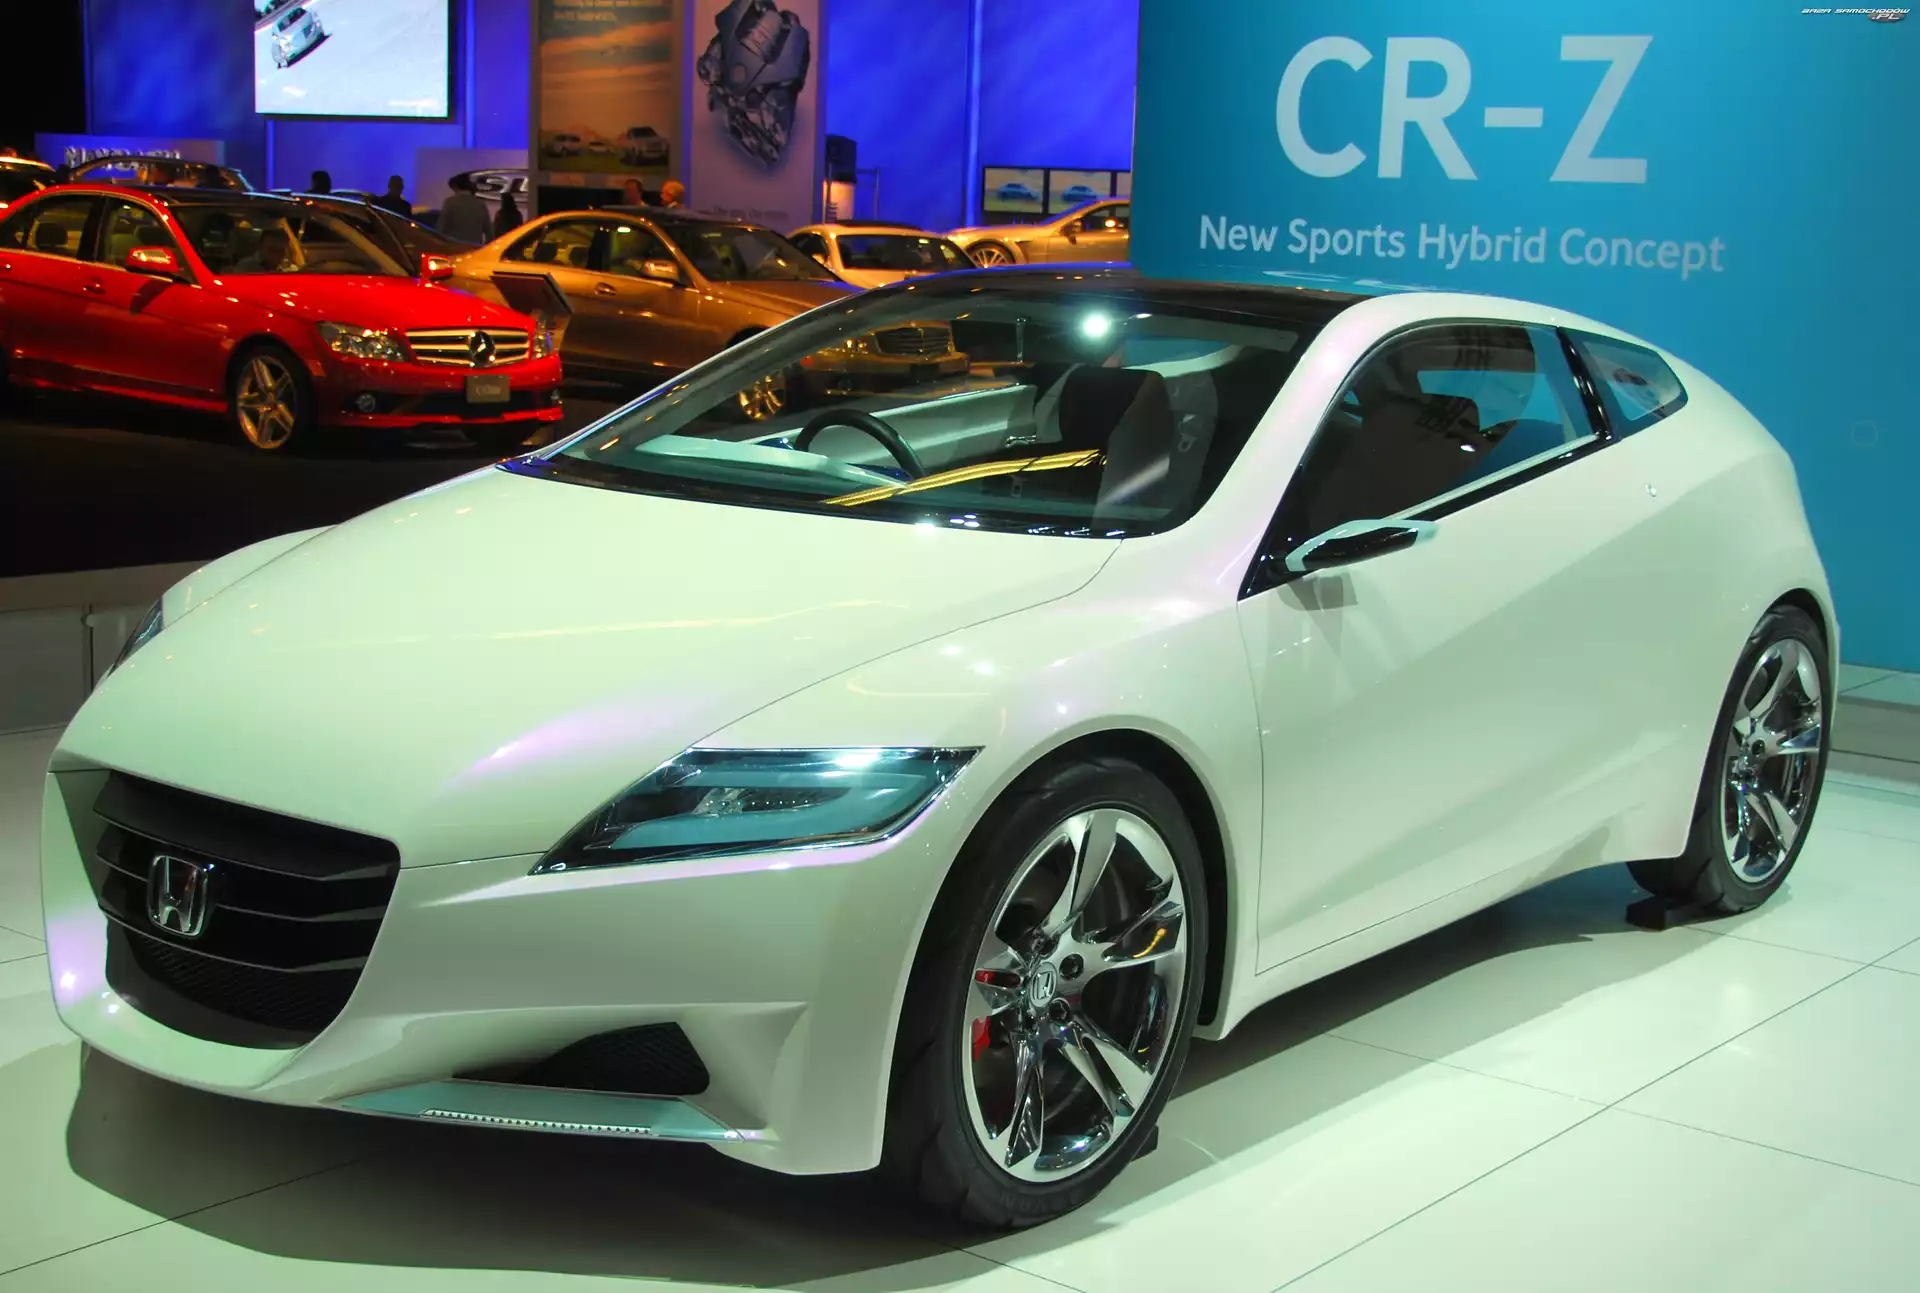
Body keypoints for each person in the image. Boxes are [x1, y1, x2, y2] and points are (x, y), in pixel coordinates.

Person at [437, 173, 493, 244]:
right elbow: (490, 232)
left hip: (454, 246)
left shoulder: (450, 202)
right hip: (474, 247)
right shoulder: (480, 204)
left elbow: (440, 228)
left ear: (456, 187)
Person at [231, 226, 295, 274]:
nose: (275, 255)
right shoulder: (245, 268)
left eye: (281, 250)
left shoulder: (286, 269)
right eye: (272, 249)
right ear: (260, 246)